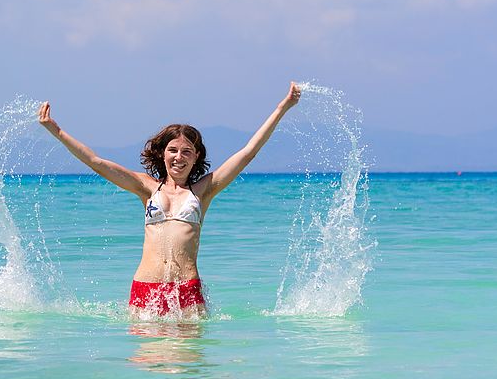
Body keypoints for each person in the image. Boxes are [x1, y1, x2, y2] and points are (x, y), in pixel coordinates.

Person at [38, 82, 302, 317]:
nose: (179, 156)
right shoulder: (146, 188)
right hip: (146, 289)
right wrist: (57, 131)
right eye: (172, 150)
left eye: (187, 151)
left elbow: (247, 153)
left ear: (196, 156)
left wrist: (282, 108)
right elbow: (96, 162)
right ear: (162, 154)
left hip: (186, 291)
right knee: (146, 367)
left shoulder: (203, 191)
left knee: (187, 367)